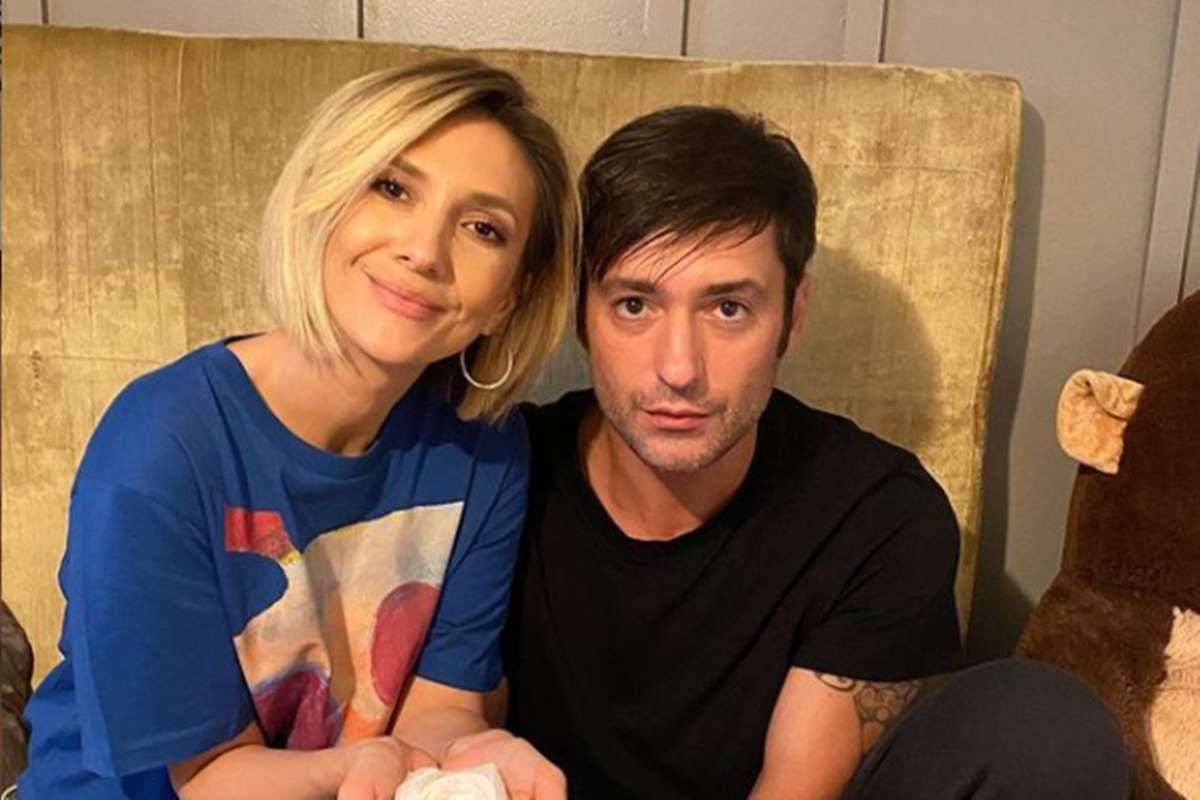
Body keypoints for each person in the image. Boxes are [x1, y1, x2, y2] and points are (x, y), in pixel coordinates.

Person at [501, 106, 1131, 799]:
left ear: (792, 317)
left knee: (1045, 725)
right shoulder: (495, 475)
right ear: (580, 311)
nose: (678, 368)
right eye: (634, 305)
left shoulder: (876, 515)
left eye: (728, 309)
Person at [20, 58, 572, 800]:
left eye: (482, 228)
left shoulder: (486, 454)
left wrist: (473, 760)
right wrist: (359, 769)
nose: (424, 252)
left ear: (509, 298)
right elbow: (207, 779)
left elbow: (440, 709)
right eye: (393, 188)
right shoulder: (158, 450)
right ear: (324, 199)